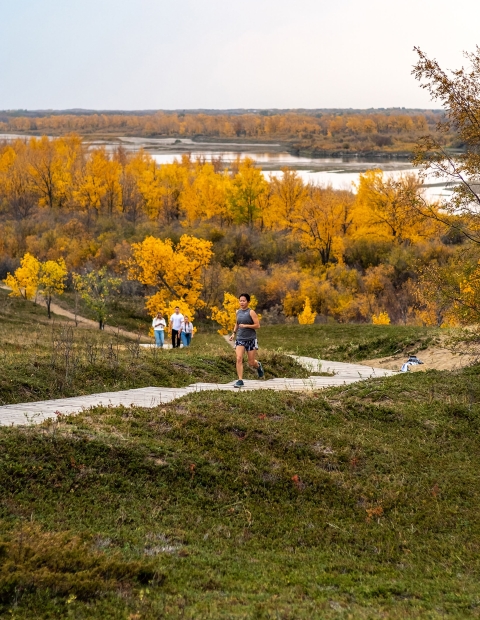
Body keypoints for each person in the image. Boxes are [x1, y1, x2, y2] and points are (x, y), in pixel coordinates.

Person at [229, 293, 264, 388]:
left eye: (244, 301)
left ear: (248, 302)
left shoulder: (251, 312)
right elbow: (237, 323)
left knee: (251, 362)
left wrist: (246, 326)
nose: (242, 302)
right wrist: (233, 333)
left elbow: (258, 325)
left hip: (251, 339)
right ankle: (240, 380)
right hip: (240, 339)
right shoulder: (238, 312)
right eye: (240, 300)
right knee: (239, 358)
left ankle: (258, 365)